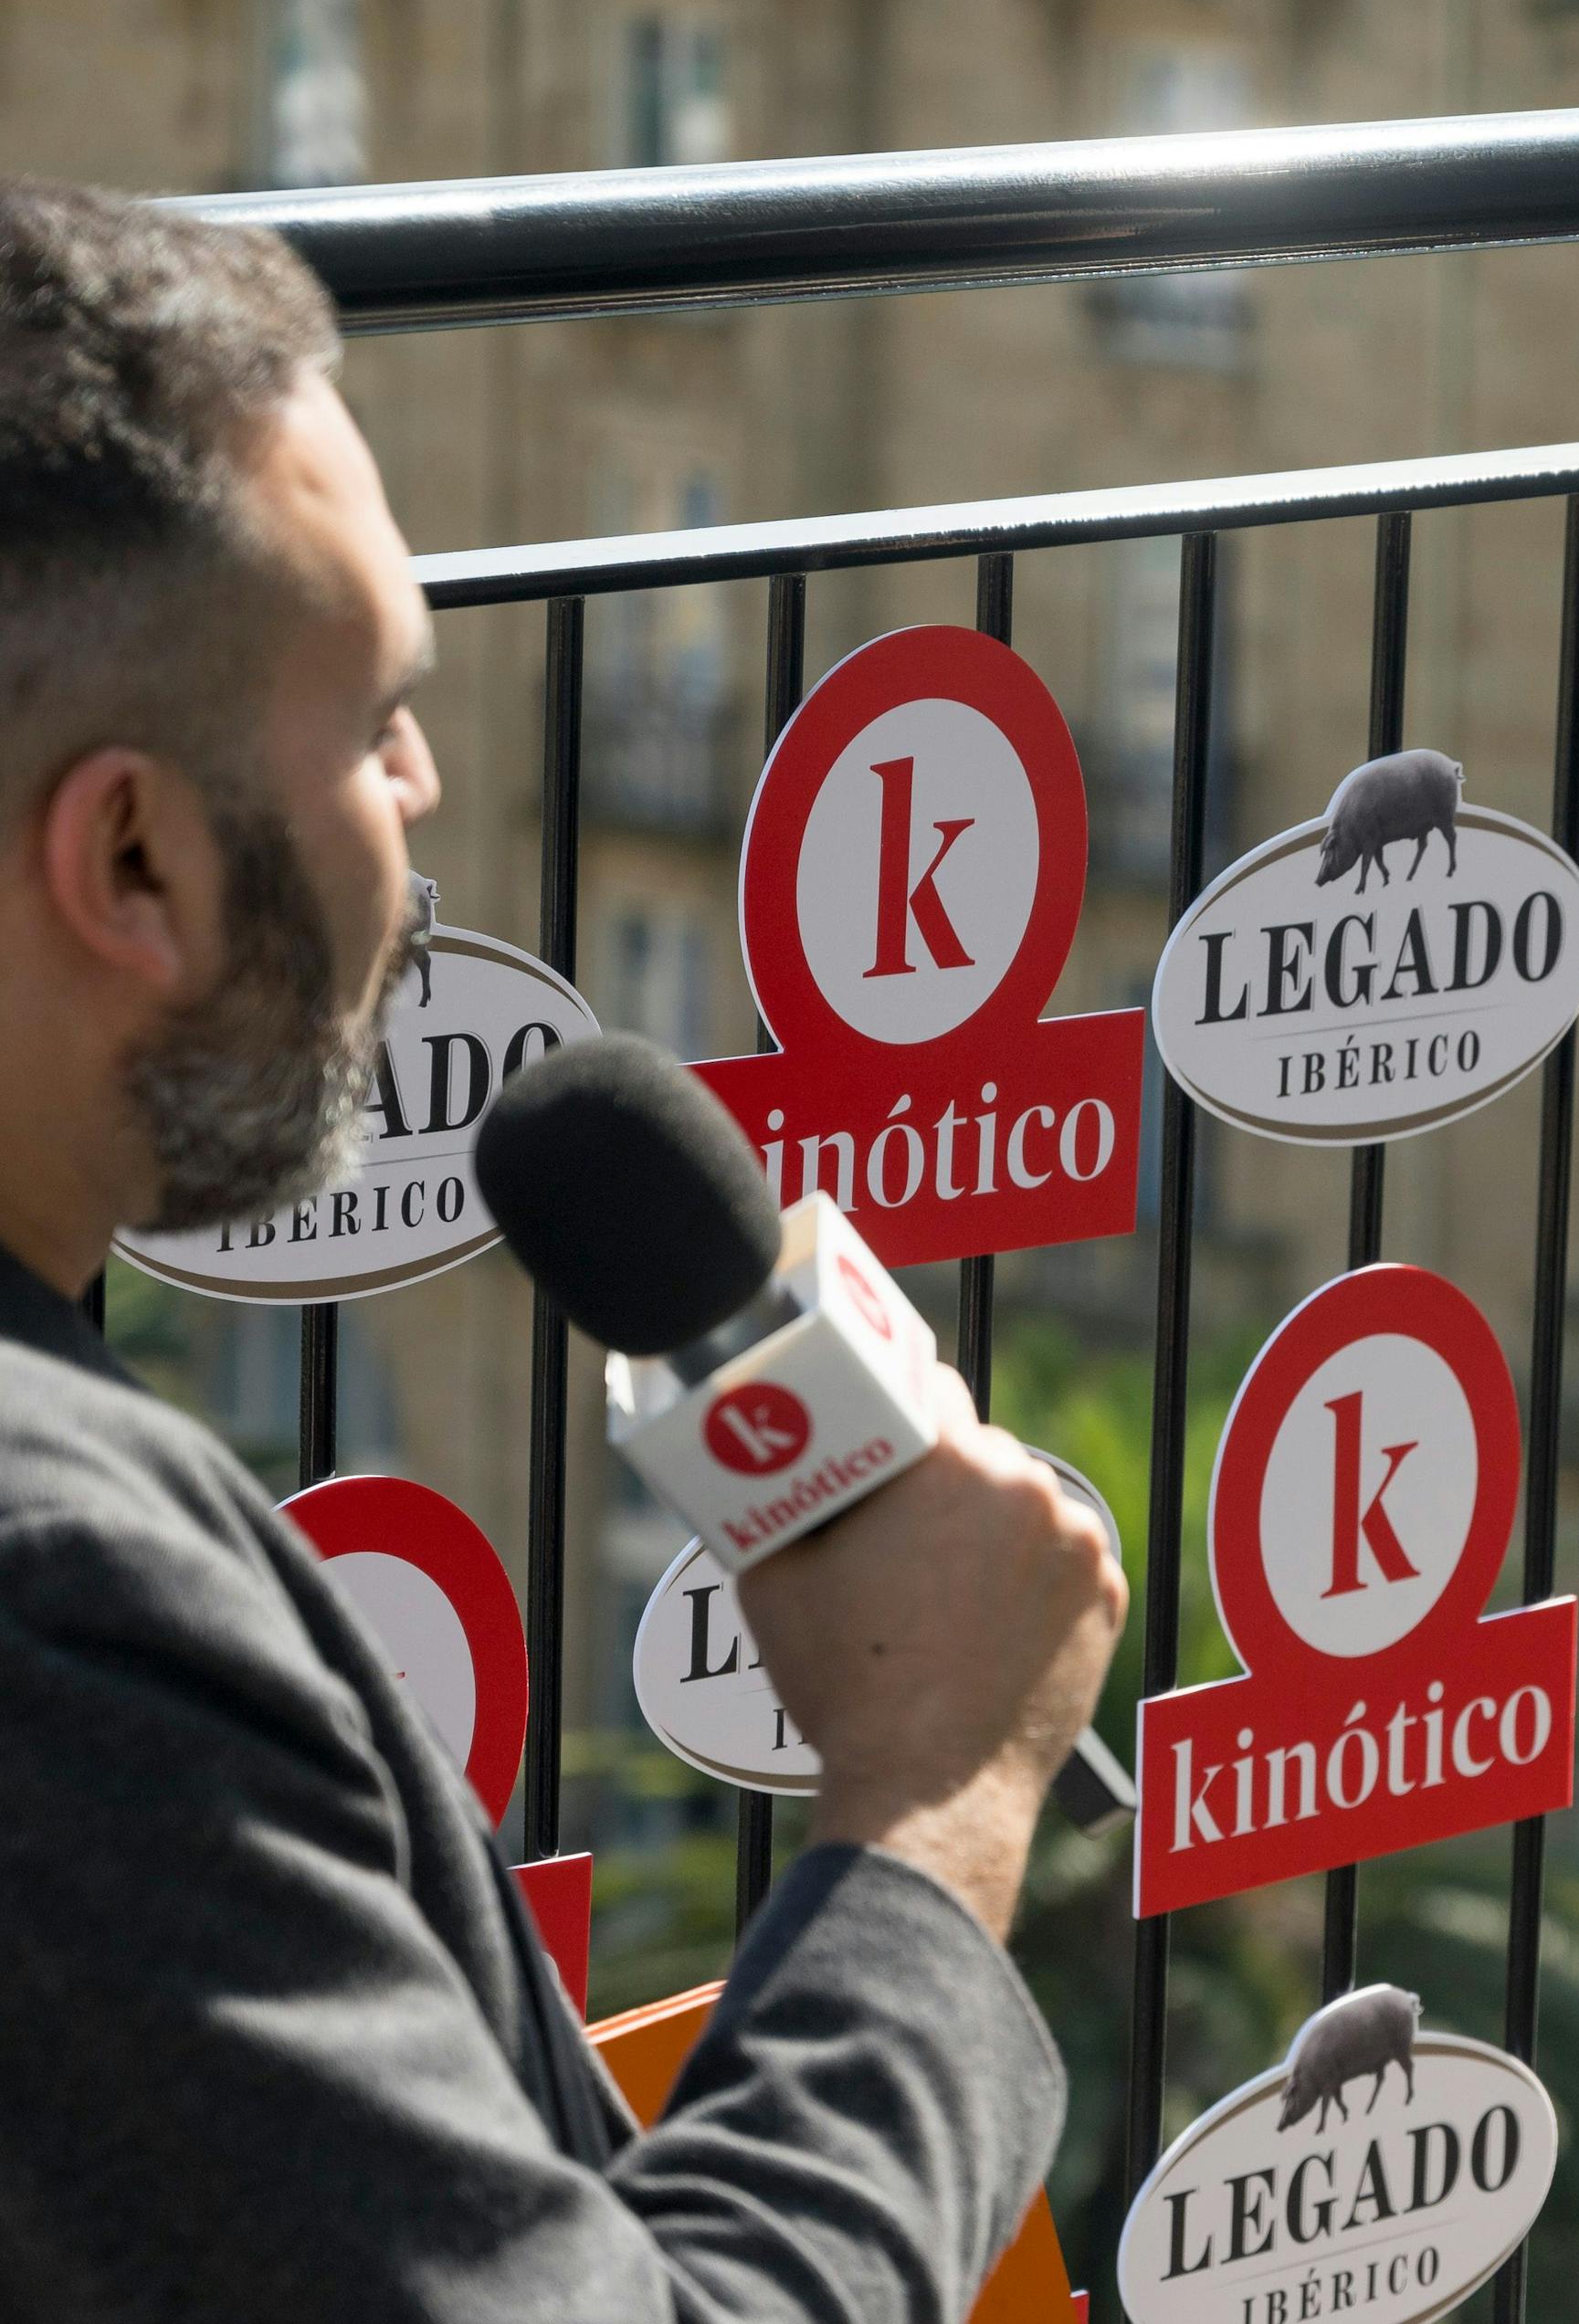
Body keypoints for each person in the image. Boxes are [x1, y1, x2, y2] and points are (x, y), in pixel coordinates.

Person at [0, 182, 1124, 2320]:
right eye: (372, 719)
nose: (424, 786)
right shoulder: (57, 1608)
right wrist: (940, 1800)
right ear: (129, 854)